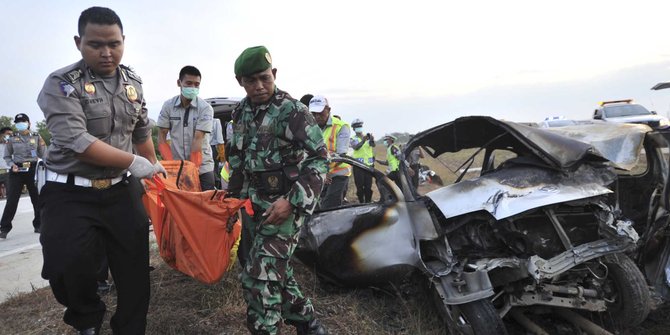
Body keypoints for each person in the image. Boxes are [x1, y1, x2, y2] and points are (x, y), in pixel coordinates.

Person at [36, 6, 165, 334]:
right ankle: (86, 319)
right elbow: (78, 141)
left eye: (114, 44)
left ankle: (130, 328)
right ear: (79, 42)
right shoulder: (62, 84)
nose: (107, 52)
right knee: (67, 265)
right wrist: (135, 163)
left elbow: (141, 131)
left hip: (121, 190)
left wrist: (152, 167)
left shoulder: (132, 82)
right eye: (96, 44)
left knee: (135, 269)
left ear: (124, 41)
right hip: (70, 192)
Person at [227, 45, 329, 335]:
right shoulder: (241, 112)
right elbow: (238, 160)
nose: (259, 86)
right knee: (273, 272)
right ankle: (307, 322)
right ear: (240, 82)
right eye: (251, 81)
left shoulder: (293, 112)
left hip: (285, 209)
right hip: (254, 207)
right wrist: (232, 203)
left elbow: (320, 160)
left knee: (259, 278)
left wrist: (292, 202)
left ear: (274, 74)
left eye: (264, 78)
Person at [157, 65, 215, 190]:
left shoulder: (205, 108)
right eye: (189, 83)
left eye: (196, 84)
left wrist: (191, 171)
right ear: (179, 83)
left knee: (205, 204)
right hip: (177, 167)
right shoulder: (168, 106)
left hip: (202, 167)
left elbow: (198, 139)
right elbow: (162, 137)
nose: (193, 88)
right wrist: (172, 166)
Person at [0, 114, 46, 238]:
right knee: (12, 200)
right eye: (18, 122)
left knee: (37, 199)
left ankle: (39, 224)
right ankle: (4, 228)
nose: (20, 124)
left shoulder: (37, 137)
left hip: (33, 169)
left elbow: (44, 154)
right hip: (17, 170)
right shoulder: (12, 139)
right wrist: (11, 165)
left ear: (28, 123)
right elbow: (7, 156)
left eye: (22, 121)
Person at [309, 95, 351, 209]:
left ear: (328, 110)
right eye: (313, 114)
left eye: (320, 113)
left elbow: (341, 155)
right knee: (316, 208)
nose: (317, 117)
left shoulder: (341, 126)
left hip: (338, 174)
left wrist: (325, 172)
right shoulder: (310, 128)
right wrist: (321, 173)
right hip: (319, 175)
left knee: (330, 207)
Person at [349, 118, 375, 203]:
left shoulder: (367, 137)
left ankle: (368, 201)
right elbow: (356, 147)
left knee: (368, 186)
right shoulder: (353, 139)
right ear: (353, 129)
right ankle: (361, 202)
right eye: (357, 126)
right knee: (359, 186)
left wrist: (371, 139)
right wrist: (363, 140)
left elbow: (373, 145)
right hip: (358, 166)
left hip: (368, 166)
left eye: (360, 126)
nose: (359, 128)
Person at [210, 118, 226, 188]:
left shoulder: (215, 121)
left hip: (210, 148)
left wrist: (221, 150)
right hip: (210, 148)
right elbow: (219, 138)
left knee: (212, 170)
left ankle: (216, 185)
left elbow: (219, 138)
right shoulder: (215, 121)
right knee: (213, 169)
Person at [0, 127, 14, 199]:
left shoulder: (13, 145)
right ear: (2, 135)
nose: (10, 136)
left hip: (8, 173)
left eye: (12, 134)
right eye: (8, 134)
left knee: (10, 196)